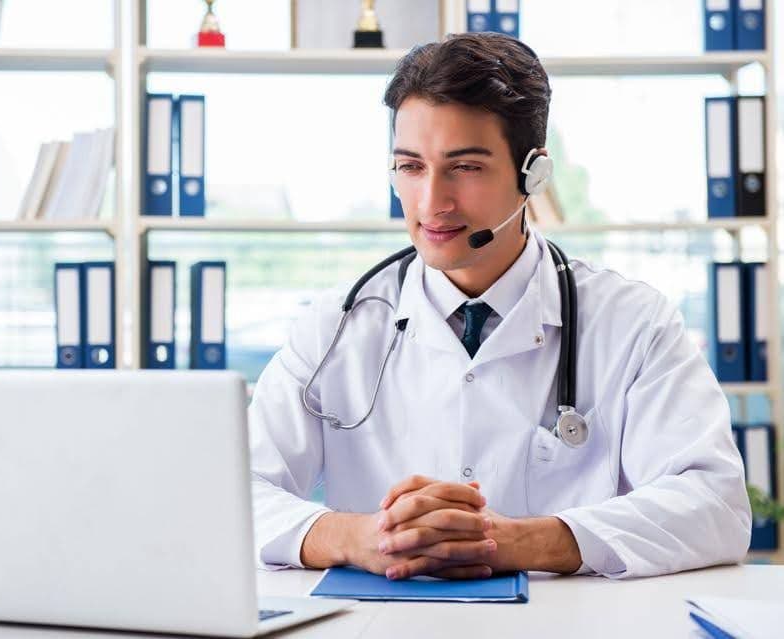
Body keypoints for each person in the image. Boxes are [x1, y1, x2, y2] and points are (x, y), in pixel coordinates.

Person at [248, 32, 751, 580]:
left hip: (566, 621)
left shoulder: (633, 323)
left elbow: (715, 503)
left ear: (533, 174)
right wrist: (359, 537)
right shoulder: (335, 327)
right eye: (411, 167)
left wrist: (518, 542)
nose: (432, 203)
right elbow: (233, 493)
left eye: (465, 167)